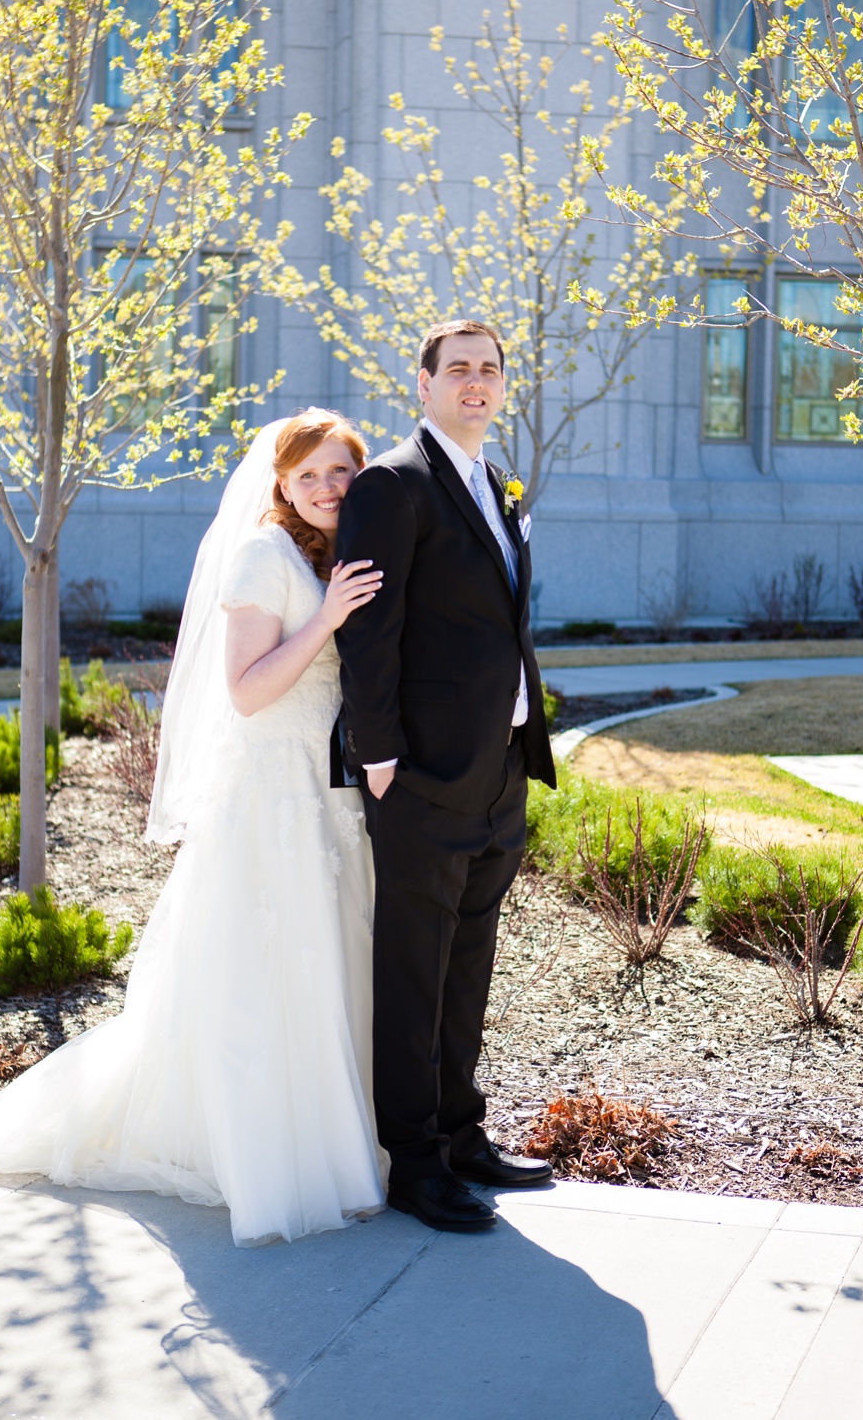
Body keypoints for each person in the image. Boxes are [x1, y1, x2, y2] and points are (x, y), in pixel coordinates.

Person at [0, 411, 391, 1246]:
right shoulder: (266, 555)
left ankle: (345, 1141)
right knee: (268, 970)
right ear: (281, 486)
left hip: (328, 789)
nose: (327, 488)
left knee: (330, 961)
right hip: (270, 793)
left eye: (340, 473)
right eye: (309, 477)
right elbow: (248, 690)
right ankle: (270, 1156)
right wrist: (327, 619)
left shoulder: (339, 552)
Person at [335, 317, 559, 1235]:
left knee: (468, 964)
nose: (476, 382)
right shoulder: (394, 483)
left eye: (490, 370)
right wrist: (382, 760)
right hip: (422, 776)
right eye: (457, 368)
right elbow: (368, 630)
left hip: (500, 770)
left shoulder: (495, 486)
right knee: (414, 972)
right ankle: (414, 1163)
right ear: (421, 383)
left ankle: (463, 1136)